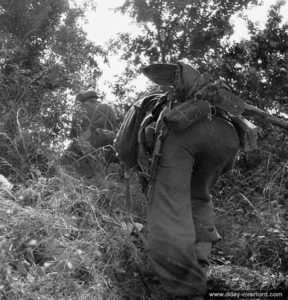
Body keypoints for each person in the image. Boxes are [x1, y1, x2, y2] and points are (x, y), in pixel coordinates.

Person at [115, 60, 254, 298]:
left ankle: (186, 291)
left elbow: (123, 145)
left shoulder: (143, 103)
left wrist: (126, 164)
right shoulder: (207, 101)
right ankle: (201, 265)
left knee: (169, 208)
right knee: (198, 198)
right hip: (227, 138)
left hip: (186, 137)